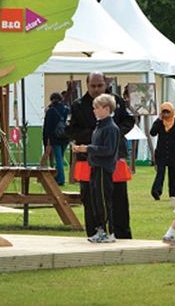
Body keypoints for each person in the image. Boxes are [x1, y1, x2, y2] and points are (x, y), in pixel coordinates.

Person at [67, 72, 136, 239]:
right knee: (91, 198)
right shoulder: (78, 105)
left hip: (114, 157)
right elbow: (69, 130)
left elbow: (130, 120)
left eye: (100, 85)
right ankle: (95, 232)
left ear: (106, 84)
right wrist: (93, 136)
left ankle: (121, 234)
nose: (97, 89)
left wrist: (113, 134)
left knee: (118, 198)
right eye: (93, 86)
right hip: (88, 161)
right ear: (87, 85)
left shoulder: (116, 102)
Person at [72, 93, 120, 243]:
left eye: (97, 108)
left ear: (106, 109)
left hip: (103, 168)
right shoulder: (100, 126)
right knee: (96, 200)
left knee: (103, 201)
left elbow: (108, 150)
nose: (94, 111)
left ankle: (108, 232)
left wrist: (87, 149)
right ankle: (100, 229)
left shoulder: (111, 128)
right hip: (95, 167)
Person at [150, 102, 175, 200]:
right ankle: (156, 192)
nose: (166, 115)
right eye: (164, 112)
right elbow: (152, 133)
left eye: (167, 112)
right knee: (160, 173)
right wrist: (158, 120)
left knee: (173, 174)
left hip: (174, 152)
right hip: (161, 152)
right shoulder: (160, 122)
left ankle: (173, 194)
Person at [42, 92, 69, 185]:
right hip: (65, 137)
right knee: (60, 157)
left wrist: (45, 141)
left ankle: (60, 179)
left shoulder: (50, 111)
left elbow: (47, 127)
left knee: (58, 159)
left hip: (55, 138)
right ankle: (58, 176)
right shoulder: (66, 110)